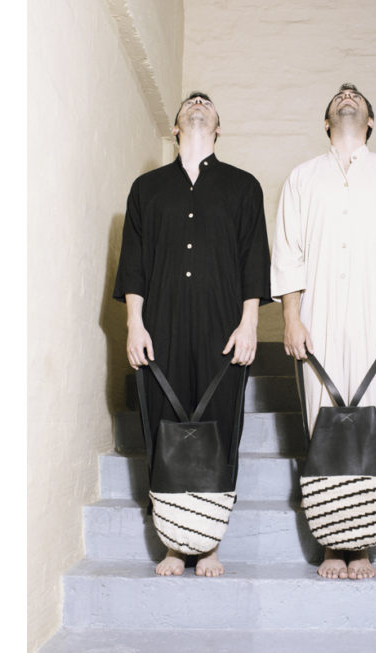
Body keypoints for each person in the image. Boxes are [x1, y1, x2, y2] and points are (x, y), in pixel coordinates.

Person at [271, 83, 376, 580]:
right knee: (321, 426)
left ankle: (360, 544)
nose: (348, 96)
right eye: (340, 95)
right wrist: (292, 318)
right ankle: (329, 541)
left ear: (370, 121)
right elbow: (289, 253)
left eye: (357, 96)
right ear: (326, 122)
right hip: (317, 319)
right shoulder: (302, 178)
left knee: (371, 427)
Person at [113, 92, 272, 577]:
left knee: (221, 428)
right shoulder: (146, 189)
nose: (197, 103)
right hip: (159, 328)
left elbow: (254, 259)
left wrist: (249, 324)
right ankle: (173, 543)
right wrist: (134, 323)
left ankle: (209, 543)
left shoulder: (244, 187)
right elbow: (134, 262)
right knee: (162, 427)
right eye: (189, 103)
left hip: (223, 330)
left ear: (218, 127)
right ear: (176, 127)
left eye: (206, 103)